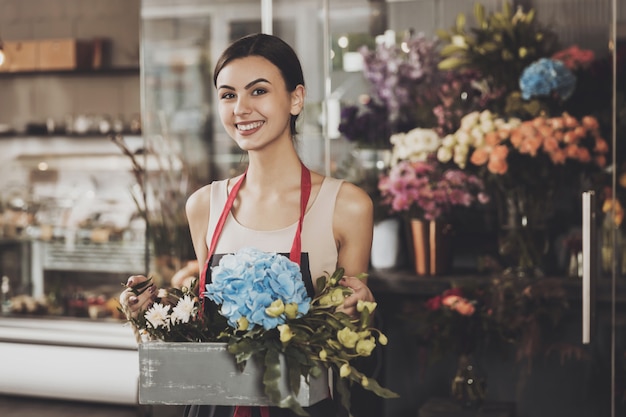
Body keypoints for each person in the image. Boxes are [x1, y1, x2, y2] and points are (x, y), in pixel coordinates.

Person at [120, 33, 375, 417]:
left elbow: (352, 346)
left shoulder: (346, 205)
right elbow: (204, 328)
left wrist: (364, 311)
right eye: (228, 95)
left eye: (258, 91)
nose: (241, 108)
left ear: (296, 98)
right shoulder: (205, 206)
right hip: (213, 407)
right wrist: (150, 312)